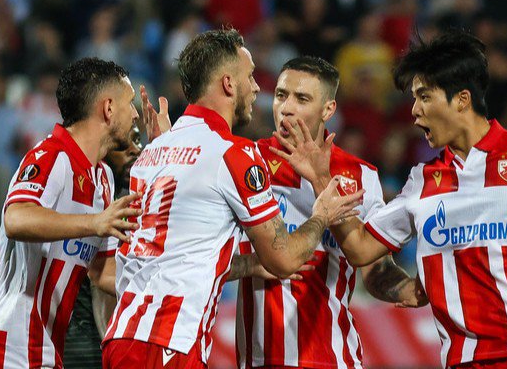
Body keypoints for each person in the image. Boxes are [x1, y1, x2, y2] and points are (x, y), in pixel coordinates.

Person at [275, 31, 507, 368]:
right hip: (466, 361)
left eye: (424, 97)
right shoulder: (422, 182)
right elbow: (361, 249)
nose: (414, 111)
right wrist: (320, 178)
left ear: (462, 99)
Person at [101, 29, 363, 369]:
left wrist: (250, 264)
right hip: (169, 341)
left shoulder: (151, 153)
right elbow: (284, 259)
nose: (255, 88)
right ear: (228, 84)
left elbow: (171, 256)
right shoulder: (234, 153)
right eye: (250, 77)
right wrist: (322, 214)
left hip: (123, 336)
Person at [231, 56, 427, 368]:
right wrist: (249, 265)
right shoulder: (245, 162)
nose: (287, 108)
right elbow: (206, 261)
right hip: (262, 360)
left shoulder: (362, 176)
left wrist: (409, 288)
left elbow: (376, 271)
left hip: (336, 358)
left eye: (302, 99)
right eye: (281, 95)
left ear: (328, 110)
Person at [0, 57, 146, 369]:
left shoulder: (103, 179)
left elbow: (103, 273)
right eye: (130, 103)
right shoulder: (51, 156)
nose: (136, 113)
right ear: (108, 108)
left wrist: (166, 282)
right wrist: (93, 222)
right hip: (4, 344)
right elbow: (16, 219)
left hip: (43, 349)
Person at [64, 125, 143, 369]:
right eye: (125, 143)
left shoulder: (120, 200)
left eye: (138, 140)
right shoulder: (98, 200)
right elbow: (102, 285)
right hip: (85, 344)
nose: (135, 150)